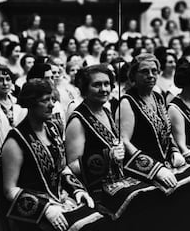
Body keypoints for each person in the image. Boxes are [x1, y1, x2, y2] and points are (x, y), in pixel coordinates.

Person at [116, 53, 190, 231]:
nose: (151, 75)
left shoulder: (158, 98)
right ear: (133, 75)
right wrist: (155, 170)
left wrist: (174, 151)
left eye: (154, 71)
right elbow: (125, 143)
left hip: (166, 161)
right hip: (141, 168)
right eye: (144, 71)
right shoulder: (127, 102)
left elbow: (167, 132)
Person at [1, 79, 110, 231]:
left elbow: (62, 167)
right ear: (31, 104)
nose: (52, 104)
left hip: (62, 198)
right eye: (45, 100)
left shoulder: (52, 129)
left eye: (52, 99)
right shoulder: (15, 140)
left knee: (102, 220)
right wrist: (45, 209)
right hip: (36, 212)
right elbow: (9, 190)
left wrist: (78, 189)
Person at [65, 64, 165, 230]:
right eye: (97, 85)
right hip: (97, 192)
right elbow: (72, 166)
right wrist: (107, 157)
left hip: (120, 180)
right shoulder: (78, 120)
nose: (104, 89)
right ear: (84, 88)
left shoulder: (106, 111)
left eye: (106, 84)